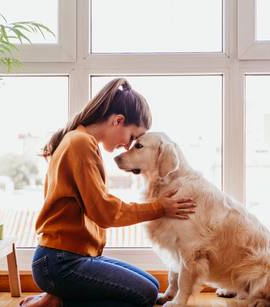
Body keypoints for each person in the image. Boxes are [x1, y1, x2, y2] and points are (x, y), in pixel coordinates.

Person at [20, 78, 196, 307]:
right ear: (118, 120)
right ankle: (58, 301)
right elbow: (104, 211)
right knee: (143, 296)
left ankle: (58, 295)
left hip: (70, 258)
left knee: (152, 287)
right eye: (132, 137)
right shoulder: (80, 144)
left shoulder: (79, 139)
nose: (128, 146)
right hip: (59, 262)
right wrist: (160, 207)